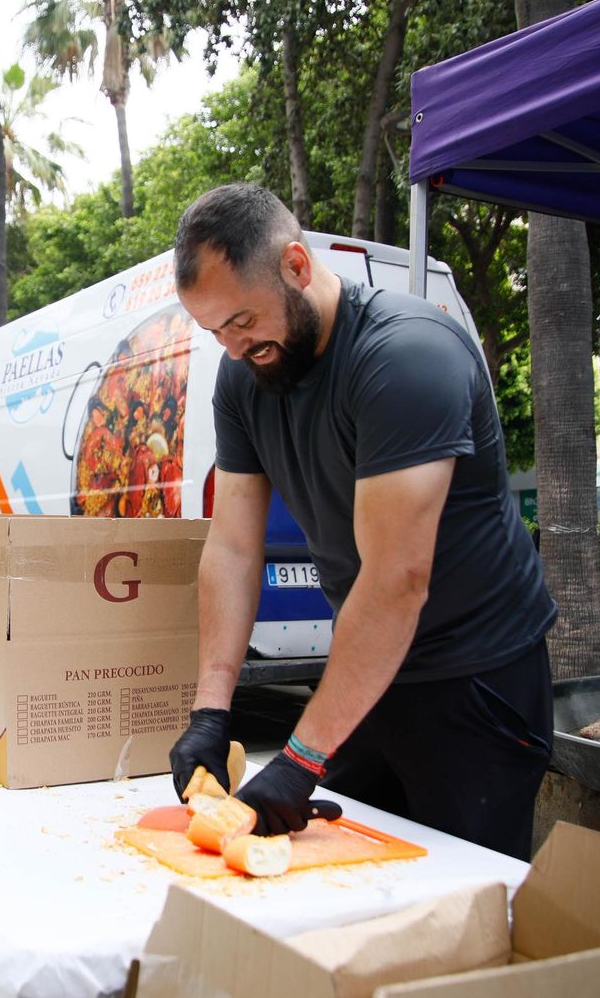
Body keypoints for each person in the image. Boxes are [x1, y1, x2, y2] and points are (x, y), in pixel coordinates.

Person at [165, 184, 556, 860]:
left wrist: (301, 757)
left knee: (467, 898)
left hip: (478, 677)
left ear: (295, 265)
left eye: (240, 321)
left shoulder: (406, 356)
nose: (232, 348)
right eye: (214, 333)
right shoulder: (244, 379)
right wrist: (210, 710)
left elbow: (398, 579)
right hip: (370, 671)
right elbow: (231, 547)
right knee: (339, 875)